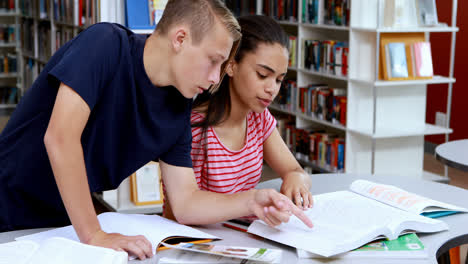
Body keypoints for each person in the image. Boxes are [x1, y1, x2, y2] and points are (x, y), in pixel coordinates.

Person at [0, 0, 312, 260]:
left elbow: (186, 202)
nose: (217, 78)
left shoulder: (179, 108)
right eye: (214, 61)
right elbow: (60, 138)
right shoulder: (105, 45)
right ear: (180, 39)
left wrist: (251, 200)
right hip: (8, 205)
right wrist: (94, 233)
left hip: (61, 222)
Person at [163, 15, 313, 222]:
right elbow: (177, 211)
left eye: (279, 80)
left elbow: (294, 169)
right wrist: (248, 203)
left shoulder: (259, 119)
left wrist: (296, 179)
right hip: (200, 241)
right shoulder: (194, 128)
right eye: (262, 75)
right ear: (231, 65)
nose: (272, 89)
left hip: (242, 235)